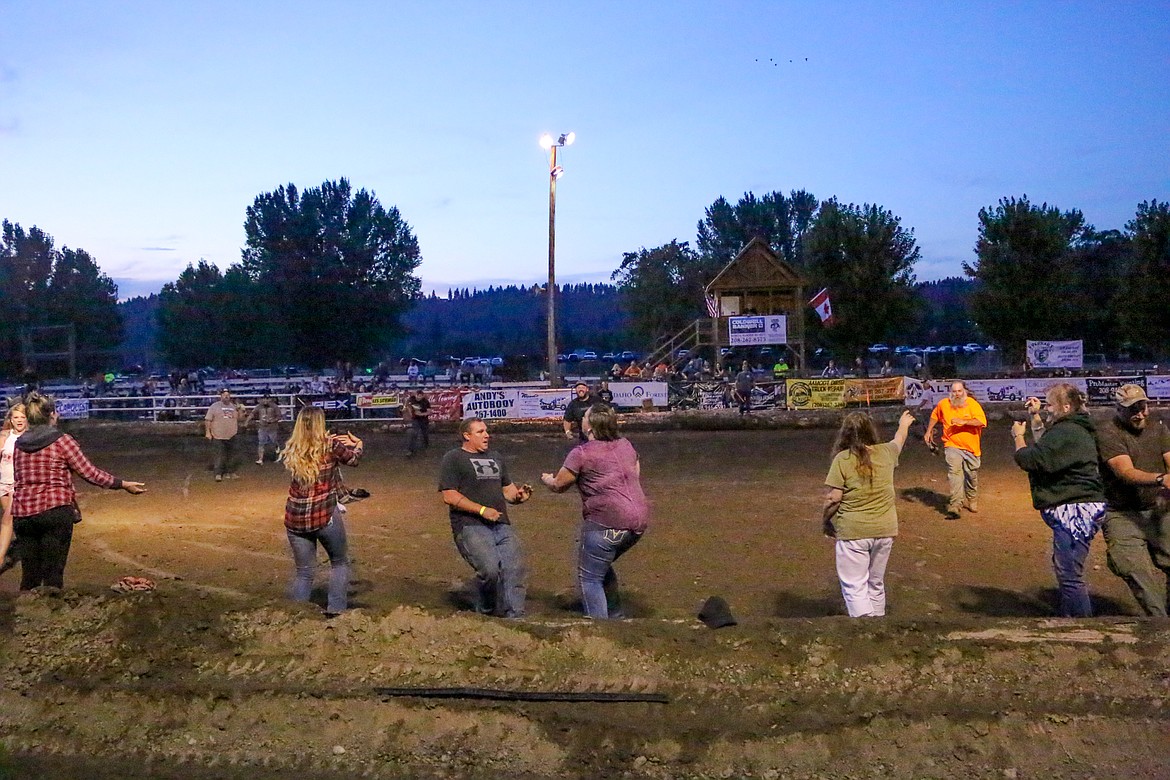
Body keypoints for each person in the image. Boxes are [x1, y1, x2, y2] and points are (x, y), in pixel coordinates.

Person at [2, 392, 145, 590]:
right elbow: (89, 473)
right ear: (51, 414)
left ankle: (25, 614)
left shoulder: (19, 444)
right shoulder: (62, 441)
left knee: (30, 574)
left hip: (23, 514)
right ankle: (51, 616)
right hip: (54, 510)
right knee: (53, 573)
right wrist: (121, 484)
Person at [541, 404, 649, 619]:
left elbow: (559, 485)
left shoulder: (581, 454)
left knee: (589, 577)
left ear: (589, 427)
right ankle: (616, 615)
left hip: (606, 523)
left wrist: (547, 480)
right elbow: (635, 472)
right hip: (638, 523)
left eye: (585, 416)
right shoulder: (626, 445)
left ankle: (601, 628)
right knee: (601, 565)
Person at [1011, 384, 1106, 617]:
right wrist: (1035, 416)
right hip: (1080, 506)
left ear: (1066, 406)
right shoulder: (1074, 429)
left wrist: (1018, 438)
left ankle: (1082, 626)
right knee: (1068, 571)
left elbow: (1034, 458)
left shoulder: (1067, 431)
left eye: (1050, 404)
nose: (1047, 408)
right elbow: (1050, 447)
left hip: (1074, 509)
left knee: (1070, 574)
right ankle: (1070, 618)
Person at [822, 410, 915, 617]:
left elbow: (834, 498)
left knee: (855, 586)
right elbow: (899, 440)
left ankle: (865, 630)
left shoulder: (842, 459)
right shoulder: (886, 452)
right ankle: (879, 625)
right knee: (875, 583)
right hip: (885, 530)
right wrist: (904, 424)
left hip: (854, 532)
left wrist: (825, 521)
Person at [439, 418, 533, 617]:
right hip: (470, 525)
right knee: (490, 571)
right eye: (480, 432)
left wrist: (518, 497)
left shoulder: (496, 457)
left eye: (486, 431)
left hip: (500, 523)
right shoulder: (453, 458)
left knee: (514, 568)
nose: (486, 435)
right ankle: (486, 610)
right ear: (467, 435)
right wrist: (482, 510)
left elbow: (508, 491)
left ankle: (515, 615)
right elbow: (449, 496)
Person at [279, 407, 362, 617]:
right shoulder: (330, 446)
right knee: (339, 562)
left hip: (295, 518)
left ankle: (298, 615)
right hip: (323, 515)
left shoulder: (292, 448)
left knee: (304, 572)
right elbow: (353, 459)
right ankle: (335, 611)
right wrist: (358, 445)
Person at [1096, 384, 1170, 616]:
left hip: (1158, 507)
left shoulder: (1158, 428)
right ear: (1119, 409)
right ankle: (1160, 623)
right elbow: (1125, 472)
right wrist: (1161, 479)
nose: (1140, 413)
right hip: (1122, 512)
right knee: (1135, 569)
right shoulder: (1108, 433)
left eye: (1143, 406)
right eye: (1132, 409)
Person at [924, 381, 987, 518]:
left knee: (971, 474)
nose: (957, 394)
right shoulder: (944, 404)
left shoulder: (972, 404)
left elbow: (982, 421)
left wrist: (964, 422)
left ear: (964, 391)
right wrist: (929, 431)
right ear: (950, 392)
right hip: (951, 444)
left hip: (971, 448)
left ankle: (971, 498)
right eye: (954, 391)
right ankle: (955, 505)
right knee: (955, 473)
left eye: (959, 391)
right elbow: (935, 415)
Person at [1, 403, 28, 574]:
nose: (19, 420)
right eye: (16, 417)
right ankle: (27, 545)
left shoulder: (30, 438)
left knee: (7, 520)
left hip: (18, 484)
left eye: (22, 417)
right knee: (15, 522)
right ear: (10, 420)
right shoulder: (4, 436)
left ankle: (1, 557)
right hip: (3, 483)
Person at [205, 388, 242, 481]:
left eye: (228, 395)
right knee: (219, 455)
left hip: (231, 434)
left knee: (231, 455)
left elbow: (239, 418)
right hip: (218, 435)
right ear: (221, 396)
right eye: (224, 394)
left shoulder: (233, 407)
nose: (226, 396)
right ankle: (218, 473)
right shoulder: (214, 406)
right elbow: (208, 420)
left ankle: (230, 472)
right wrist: (208, 432)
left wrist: (240, 409)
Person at [245, 390, 283, 465]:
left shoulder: (274, 406)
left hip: (272, 428)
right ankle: (260, 459)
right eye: (264, 399)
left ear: (270, 399)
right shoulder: (259, 406)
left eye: (267, 399)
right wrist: (247, 421)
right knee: (261, 443)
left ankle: (278, 455)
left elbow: (279, 416)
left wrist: (273, 420)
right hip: (262, 427)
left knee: (274, 442)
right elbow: (252, 413)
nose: (265, 400)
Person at [406, 388, 431, 457]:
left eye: (420, 396)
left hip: (424, 419)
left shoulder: (426, 402)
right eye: (418, 395)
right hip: (415, 419)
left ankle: (425, 446)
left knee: (425, 434)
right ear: (416, 395)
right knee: (414, 433)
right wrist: (410, 412)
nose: (419, 397)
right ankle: (410, 450)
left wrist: (421, 414)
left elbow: (429, 411)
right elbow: (407, 404)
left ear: (422, 396)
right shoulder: (412, 399)